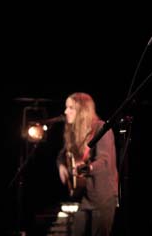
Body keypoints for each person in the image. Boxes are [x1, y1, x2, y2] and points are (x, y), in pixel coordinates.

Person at [57, 92, 118, 236]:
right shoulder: (74, 132)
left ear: (82, 110)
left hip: (102, 197)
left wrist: (86, 168)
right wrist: (61, 166)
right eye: (66, 108)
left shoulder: (101, 128)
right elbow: (61, 155)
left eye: (71, 108)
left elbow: (104, 161)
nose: (66, 112)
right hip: (84, 197)